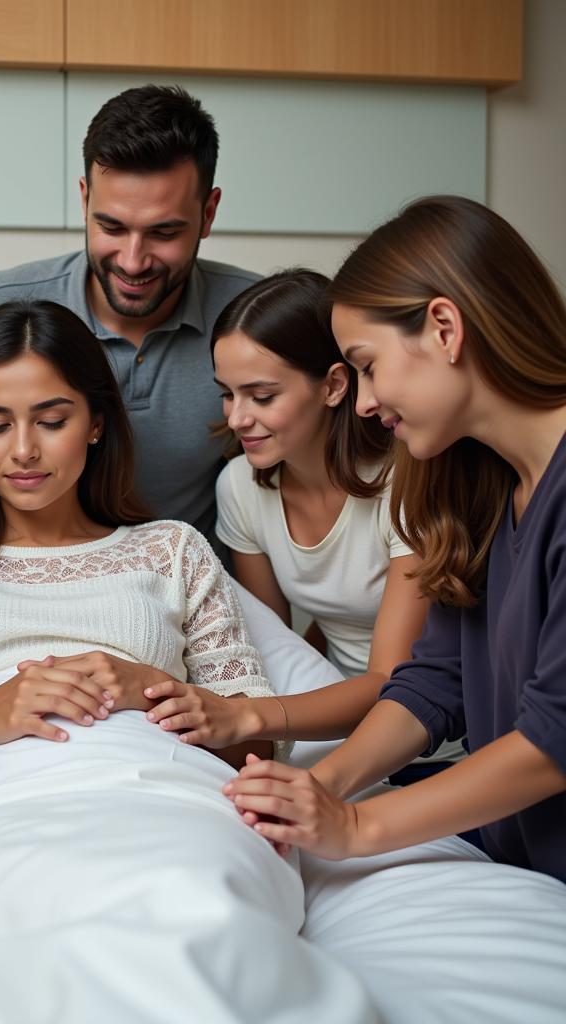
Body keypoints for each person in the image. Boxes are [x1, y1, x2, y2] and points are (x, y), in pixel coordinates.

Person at [0, 300, 377, 1023]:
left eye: (52, 419)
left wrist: (156, 689)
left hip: (167, 799)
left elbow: (256, 747)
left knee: (200, 922)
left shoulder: (171, 550)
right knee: (33, 930)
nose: (23, 451)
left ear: (96, 422)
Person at [225, 196, 566, 883]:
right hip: (512, 862)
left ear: (444, 328)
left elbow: (552, 742)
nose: (364, 403)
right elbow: (434, 681)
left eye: (369, 365)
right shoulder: (481, 485)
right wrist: (321, 787)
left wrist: (355, 827)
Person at [0, 84, 259, 540]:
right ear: (84, 198)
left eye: (164, 232)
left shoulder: (253, 319)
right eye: (111, 226)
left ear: (208, 214)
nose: (133, 261)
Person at [152, 270, 459, 771]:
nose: (236, 418)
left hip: (423, 742)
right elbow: (276, 646)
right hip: (320, 723)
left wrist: (246, 716)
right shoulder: (241, 487)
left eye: (262, 396)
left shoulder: (406, 483)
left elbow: (392, 679)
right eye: (228, 393)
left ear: (335, 385)